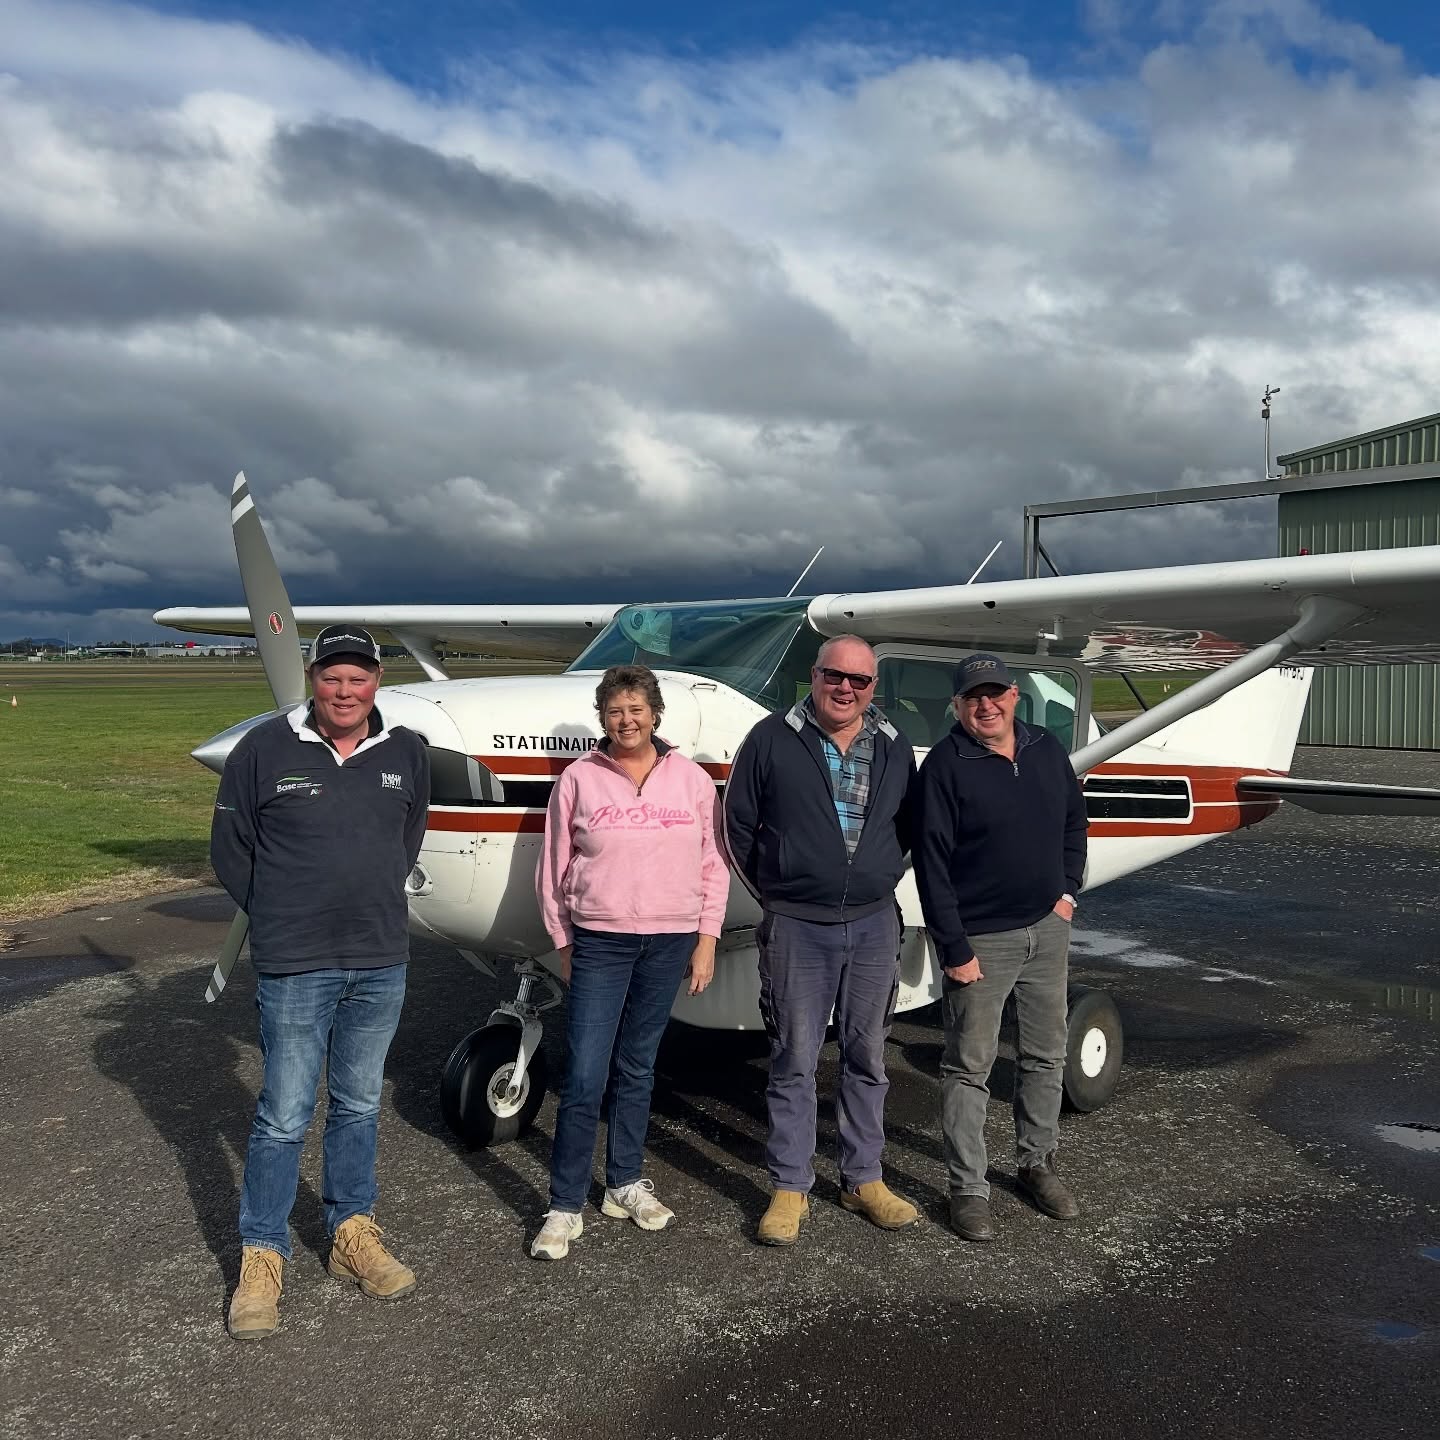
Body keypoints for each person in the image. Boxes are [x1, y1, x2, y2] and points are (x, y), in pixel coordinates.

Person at [211, 624, 429, 1339]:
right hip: (295, 961)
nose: (345, 690)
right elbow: (231, 849)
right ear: (313, 680)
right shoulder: (263, 750)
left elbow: (408, 838)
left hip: (379, 957)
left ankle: (350, 1234)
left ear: (376, 682)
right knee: (282, 1113)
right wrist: (280, 917)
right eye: (332, 677)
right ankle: (262, 1257)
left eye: (359, 677)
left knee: (360, 1104)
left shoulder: (404, 751)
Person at [723, 635, 919, 1246]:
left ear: (872, 688)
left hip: (872, 921)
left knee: (866, 1055)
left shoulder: (893, 747)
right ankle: (789, 1187)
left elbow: (910, 829)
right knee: (794, 1056)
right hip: (796, 924)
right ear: (815, 674)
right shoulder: (771, 738)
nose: (845, 688)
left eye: (859, 681)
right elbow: (738, 825)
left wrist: (873, 877)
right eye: (835, 675)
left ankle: (862, 1178)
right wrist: (782, 891)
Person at [531, 664, 728, 1260]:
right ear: (603, 718)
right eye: (616, 711)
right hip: (601, 942)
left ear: (655, 714)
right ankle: (564, 1204)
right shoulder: (578, 779)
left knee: (638, 1068)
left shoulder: (691, 780)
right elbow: (553, 866)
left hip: (670, 940)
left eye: (636, 709)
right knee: (587, 1074)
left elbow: (711, 863)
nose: (627, 720)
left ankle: (623, 1182)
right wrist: (562, 940)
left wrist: (707, 939)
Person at [911, 653, 1088, 1242]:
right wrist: (954, 947)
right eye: (972, 698)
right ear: (957, 706)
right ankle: (968, 1188)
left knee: (1045, 1054)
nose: (985, 706)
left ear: (1015, 696)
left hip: (1048, 925)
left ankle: (1037, 1163)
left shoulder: (1045, 749)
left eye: (995, 694)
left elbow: (1073, 823)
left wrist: (1067, 893)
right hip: (981, 938)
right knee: (969, 1066)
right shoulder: (943, 766)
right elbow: (932, 868)